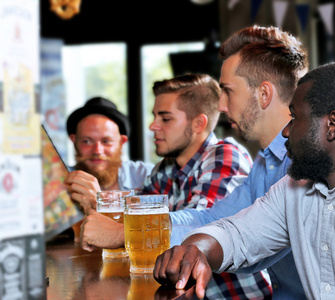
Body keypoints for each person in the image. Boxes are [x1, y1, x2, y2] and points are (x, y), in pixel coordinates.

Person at [153, 61, 335, 299]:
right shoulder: (294, 189)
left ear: (331, 125)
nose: (285, 132)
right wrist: (197, 250)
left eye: (294, 118)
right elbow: (237, 235)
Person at [80, 25, 309, 299]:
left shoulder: (303, 165)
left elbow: (244, 240)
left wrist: (127, 233)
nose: (221, 106)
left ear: (264, 94)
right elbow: (211, 218)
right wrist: (132, 228)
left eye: (227, 90)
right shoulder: (266, 163)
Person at [82, 74, 272, 299]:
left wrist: (124, 233)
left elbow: (203, 232)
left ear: (198, 124)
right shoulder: (164, 169)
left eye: (165, 118)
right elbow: (131, 216)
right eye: (154, 117)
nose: (153, 126)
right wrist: (96, 203)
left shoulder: (225, 156)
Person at [64, 97, 154, 239]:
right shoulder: (59, 183)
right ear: (74, 141)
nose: (97, 150)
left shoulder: (149, 176)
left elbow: (158, 230)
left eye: (106, 141)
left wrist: (98, 203)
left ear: (121, 142)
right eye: (87, 141)